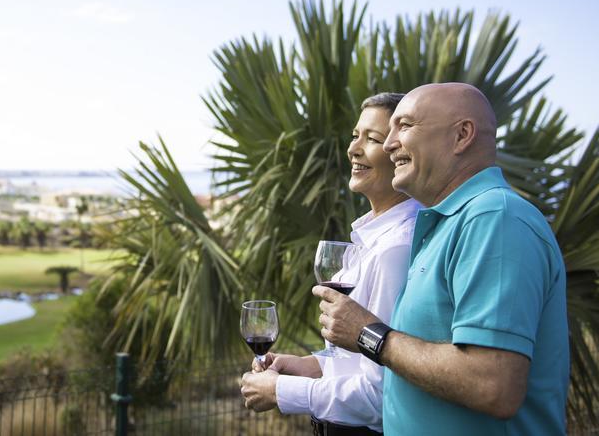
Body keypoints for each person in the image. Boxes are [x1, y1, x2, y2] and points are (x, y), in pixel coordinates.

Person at [313, 83, 569, 435]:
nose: (389, 144)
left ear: (462, 135)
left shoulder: (494, 218)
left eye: (404, 126)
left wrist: (367, 333)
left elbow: (492, 385)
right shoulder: (448, 225)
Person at [240, 92, 421, 435]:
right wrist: (308, 365)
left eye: (373, 139)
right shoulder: (369, 238)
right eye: (355, 135)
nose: (353, 148)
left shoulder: (395, 250)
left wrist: (281, 390)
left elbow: (381, 395)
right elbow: (361, 362)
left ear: (400, 151)